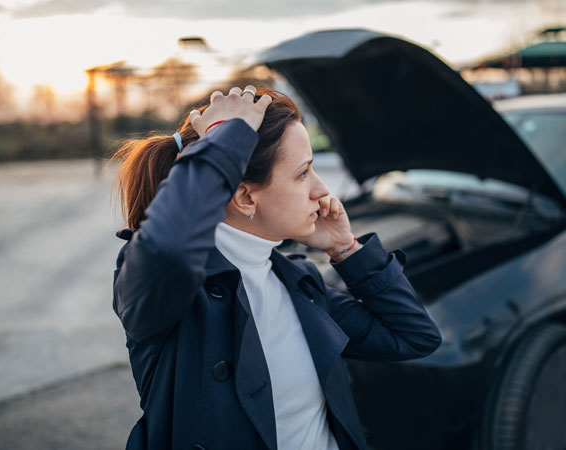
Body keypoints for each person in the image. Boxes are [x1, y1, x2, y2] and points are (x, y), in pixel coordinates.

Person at [111, 85, 442, 450]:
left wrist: (346, 249)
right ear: (245, 197)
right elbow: (168, 243)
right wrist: (226, 138)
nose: (321, 190)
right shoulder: (169, 292)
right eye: (303, 174)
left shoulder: (298, 284)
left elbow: (414, 336)